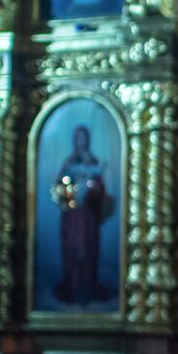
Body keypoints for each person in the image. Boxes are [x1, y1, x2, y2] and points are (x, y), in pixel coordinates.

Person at [53, 125, 112, 303]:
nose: (81, 141)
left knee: (88, 250)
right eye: (78, 137)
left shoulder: (94, 162)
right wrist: (72, 189)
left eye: (84, 137)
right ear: (74, 140)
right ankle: (71, 287)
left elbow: (101, 189)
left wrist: (93, 188)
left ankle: (89, 287)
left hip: (88, 217)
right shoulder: (68, 162)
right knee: (72, 250)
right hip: (72, 217)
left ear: (88, 140)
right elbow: (58, 188)